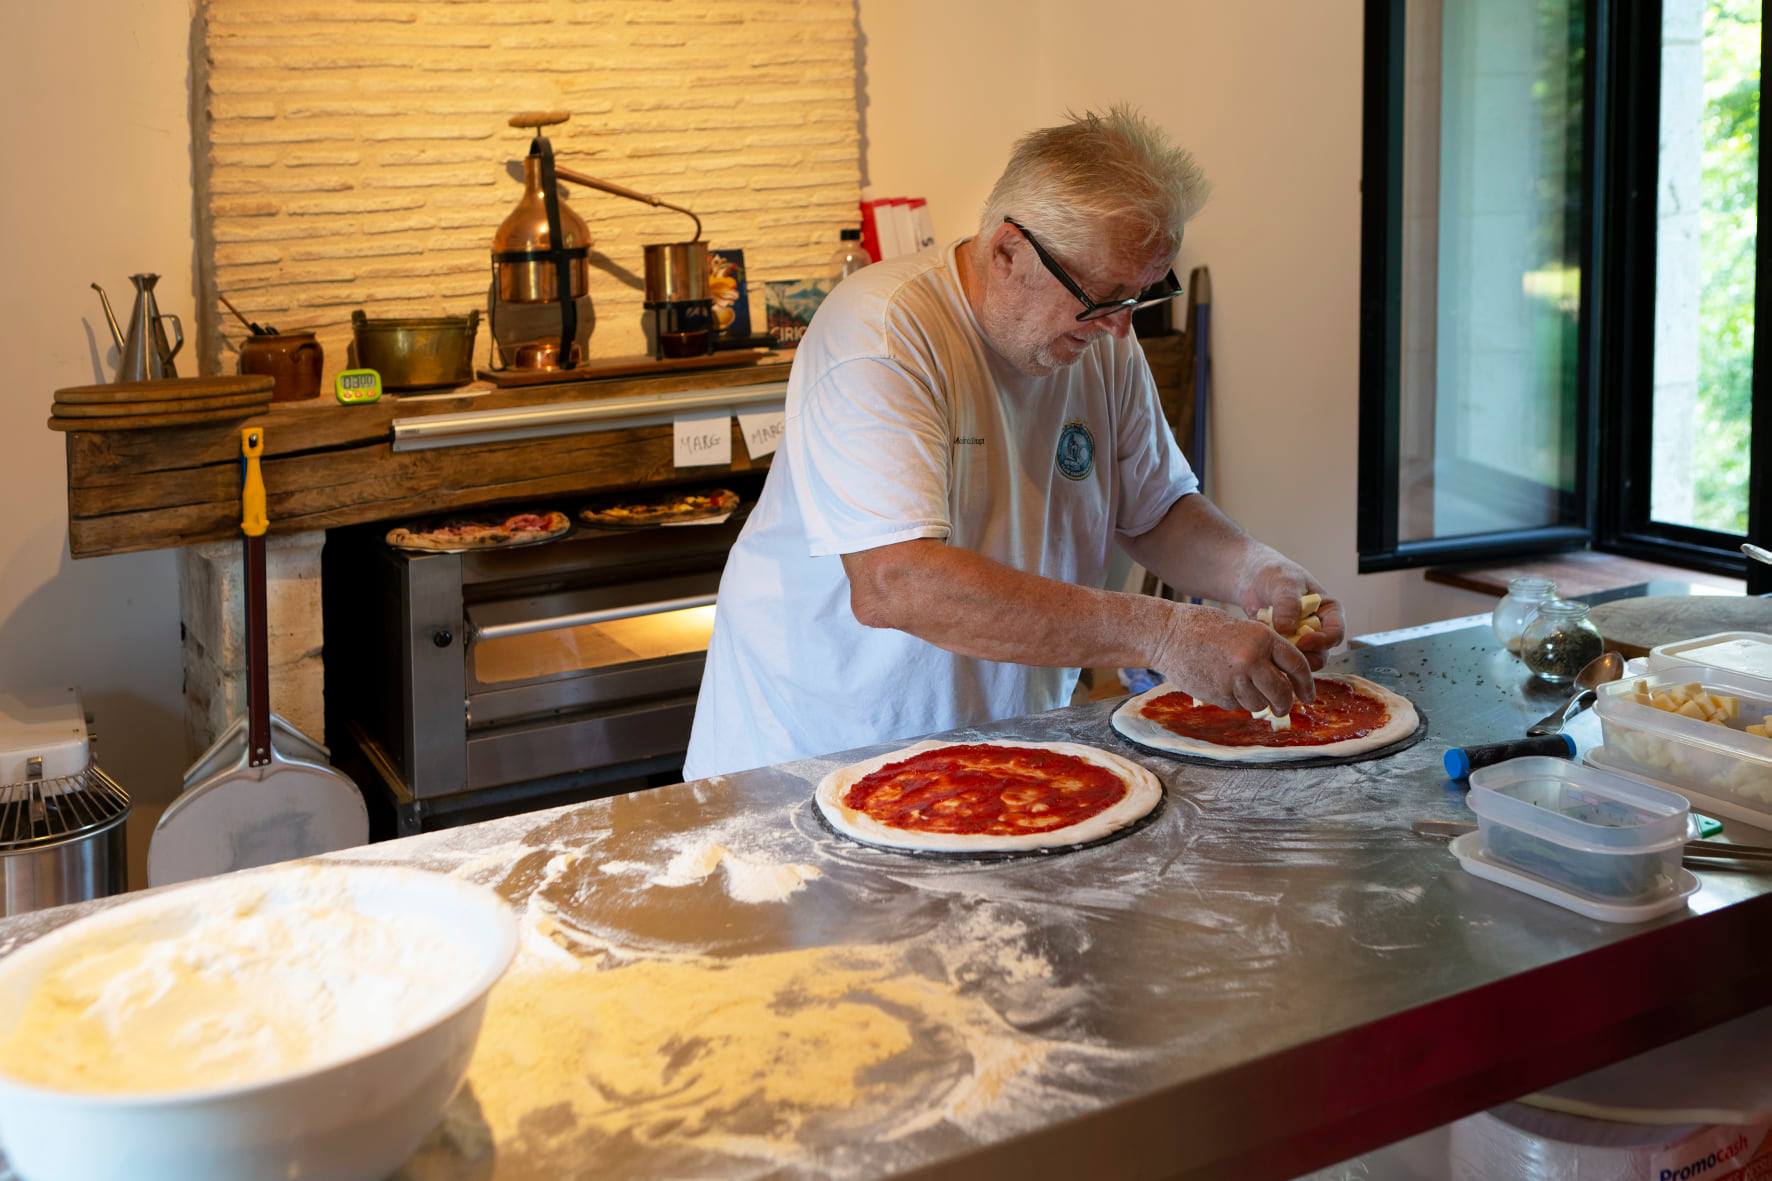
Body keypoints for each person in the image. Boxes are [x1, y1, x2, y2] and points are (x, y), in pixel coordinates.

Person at [683, 104, 1344, 779]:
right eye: (1103, 297)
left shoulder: (1098, 339)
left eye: (1138, 298)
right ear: (1007, 252)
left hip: (995, 746)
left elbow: (1155, 509)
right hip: (818, 752)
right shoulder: (882, 333)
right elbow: (896, 581)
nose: (1120, 329)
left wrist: (1254, 569)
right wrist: (1164, 632)